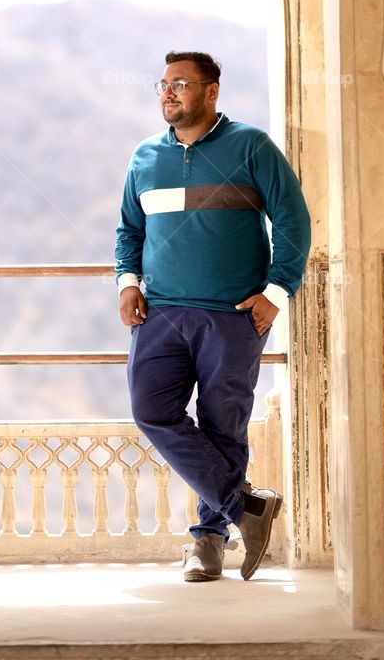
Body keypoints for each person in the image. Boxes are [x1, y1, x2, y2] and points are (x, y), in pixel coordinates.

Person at [115, 50, 311, 583]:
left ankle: (207, 540)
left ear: (211, 90)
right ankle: (245, 505)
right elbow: (128, 232)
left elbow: (292, 220)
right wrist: (127, 282)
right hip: (160, 314)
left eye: (181, 83)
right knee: (151, 409)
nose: (169, 93)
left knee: (225, 425)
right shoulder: (144, 157)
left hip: (232, 316)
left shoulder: (251, 146)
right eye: (163, 84)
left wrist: (277, 291)